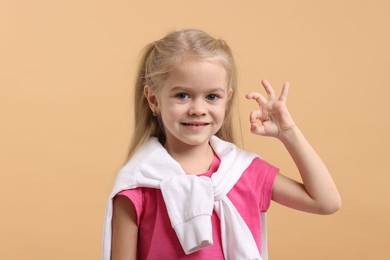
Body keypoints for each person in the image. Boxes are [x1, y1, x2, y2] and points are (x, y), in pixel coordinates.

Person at [102, 29, 341, 260]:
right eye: (182, 95)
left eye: (211, 97)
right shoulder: (137, 184)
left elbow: (325, 202)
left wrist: (288, 132)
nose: (197, 110)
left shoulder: (243, 172)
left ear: (228, 100)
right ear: (154, 100)